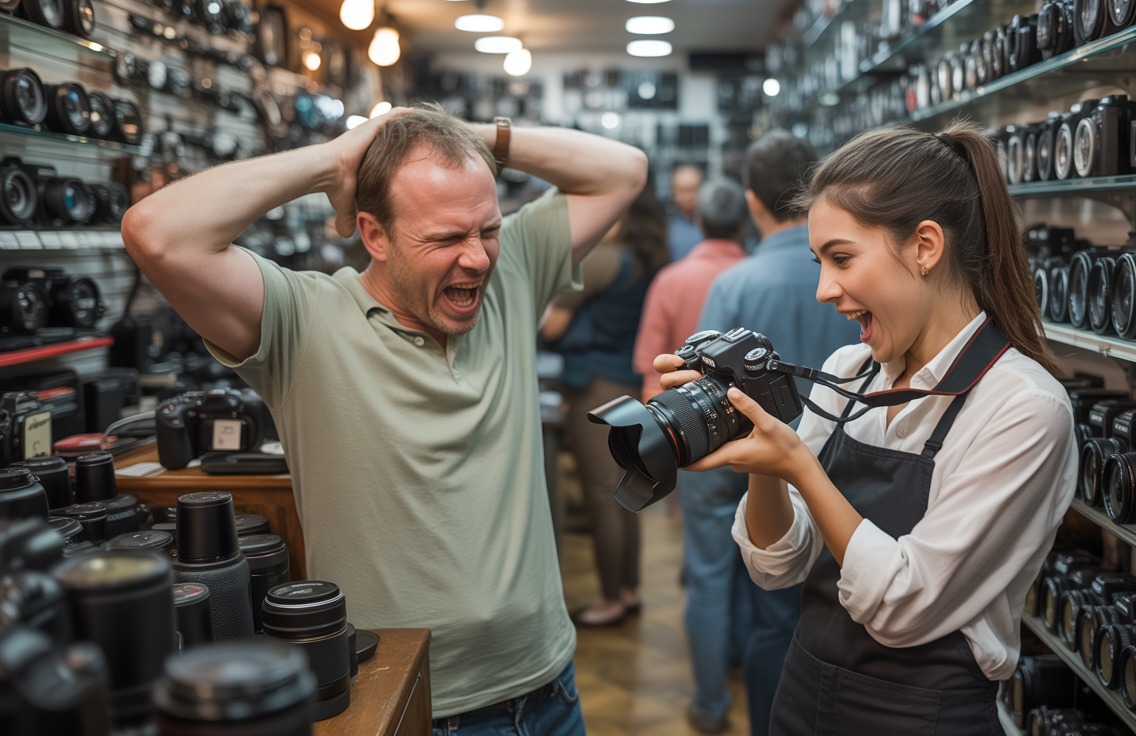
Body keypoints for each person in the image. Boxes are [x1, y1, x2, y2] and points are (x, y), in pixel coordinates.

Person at [121, 105, 648, 735]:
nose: (477, 259)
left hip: (549, 687)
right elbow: (156, 231)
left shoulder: (513, 275)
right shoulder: (303, 322)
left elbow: (624, 170)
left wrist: (445, 136)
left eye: (488, 229)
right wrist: (337, 159)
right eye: (447, 238)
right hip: (412, 706)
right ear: (374, 234)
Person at [654, 124, 1077, 734]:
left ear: (925, 246)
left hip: (918, 716)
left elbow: (905, 603)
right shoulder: (849, 370)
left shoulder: (1023, 407)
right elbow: (778, 564)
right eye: (819, 262)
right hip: (802, 692)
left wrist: (798, 462)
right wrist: (760, 461)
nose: (826, 290)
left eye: (842, 258)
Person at [695, 130, 854, 736]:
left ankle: (734, 713)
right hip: (849, 486)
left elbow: (708, 394)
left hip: (759, 472)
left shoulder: (735, 284)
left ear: (753, 201)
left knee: (758, 615)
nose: (830, 287)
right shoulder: (849, 284)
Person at [632, 178, 750, 734]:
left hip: (699, 449)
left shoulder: (672, 280)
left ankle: (709, 704)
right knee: (765, 570)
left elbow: (649, 383)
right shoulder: (759, 277)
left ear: (698, 222)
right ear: (742, 222)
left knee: (706, 575)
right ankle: (750, 674)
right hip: (769, 444)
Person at [539, 181, 669, 627]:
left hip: (594, 388)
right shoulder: (648, 261)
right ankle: (628, 588)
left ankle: (611, 598)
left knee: (601, 495)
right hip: (629, 387)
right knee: (627, 490)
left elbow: (551, 326)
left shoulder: (601, 261)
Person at [666, 162, 704, 261]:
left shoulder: (714, 227)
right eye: (683, 190)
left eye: (694, 189)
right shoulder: (665, 229)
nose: (689, 197)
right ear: (673, 192)